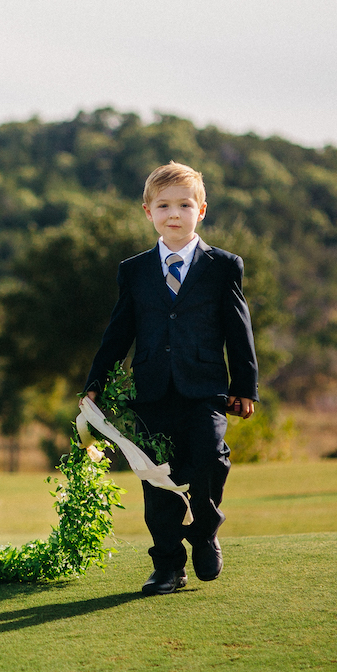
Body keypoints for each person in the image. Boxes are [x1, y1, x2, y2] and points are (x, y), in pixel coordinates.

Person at [83, 162, 259, 595]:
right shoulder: (135, 270)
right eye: (163, 205)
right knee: (157, 478)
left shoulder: (223, 267)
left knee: (211, 458)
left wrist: (244, 388)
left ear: (201, 209)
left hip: (205, 390)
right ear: (148, 212)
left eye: (184, 204)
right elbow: (119, 332)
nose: (173, 213)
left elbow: (239, 330)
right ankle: (167, 567)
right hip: (152, 391)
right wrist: (96, 383)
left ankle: (204, 531)